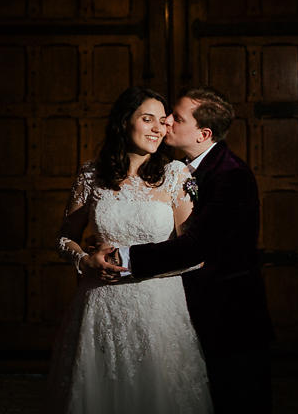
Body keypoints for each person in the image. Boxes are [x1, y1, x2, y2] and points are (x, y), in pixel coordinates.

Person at [91, 87, 273, 414]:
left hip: (228, 316)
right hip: (181, 307)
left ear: (203, 133)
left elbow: (196, 246)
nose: (166, 122)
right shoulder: (173, 168)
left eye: (177, 117)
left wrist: (123, 256)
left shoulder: (230, 174)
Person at [47, 86, 213, 414]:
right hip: (100, 308)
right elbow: (64, 237)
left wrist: (136, 263)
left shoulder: (176, 175)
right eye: (146, 119)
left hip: (158, 309)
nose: (156, 128)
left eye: (161, 121)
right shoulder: (90, 175)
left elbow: (195, 252)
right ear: (124, 123)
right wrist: (84, 260)